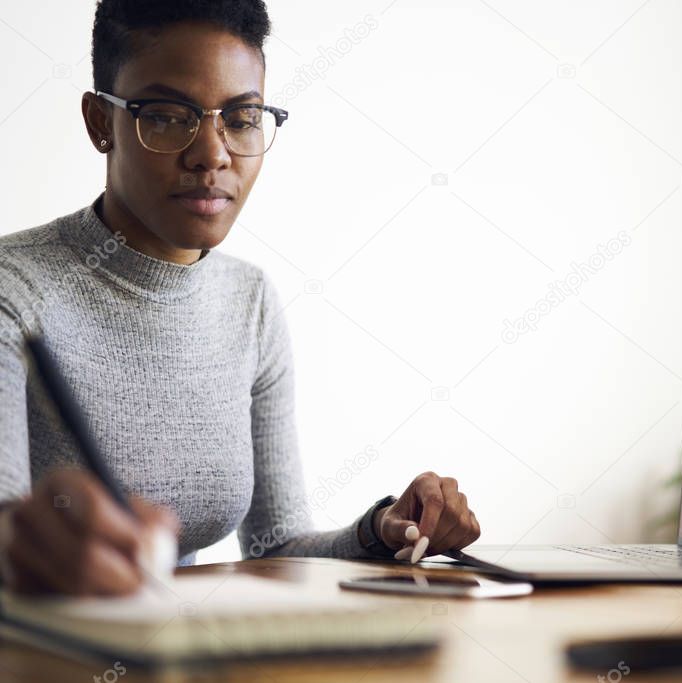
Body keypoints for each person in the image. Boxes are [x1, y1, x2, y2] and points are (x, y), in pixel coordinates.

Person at [0, 0, 479, 596]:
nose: (212, 153)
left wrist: (384, 531)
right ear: (100, 122)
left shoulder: (248, 301)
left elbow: (276, 548)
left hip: (190, 650)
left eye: (242, 117)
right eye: (170, 115)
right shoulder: (12, 289)